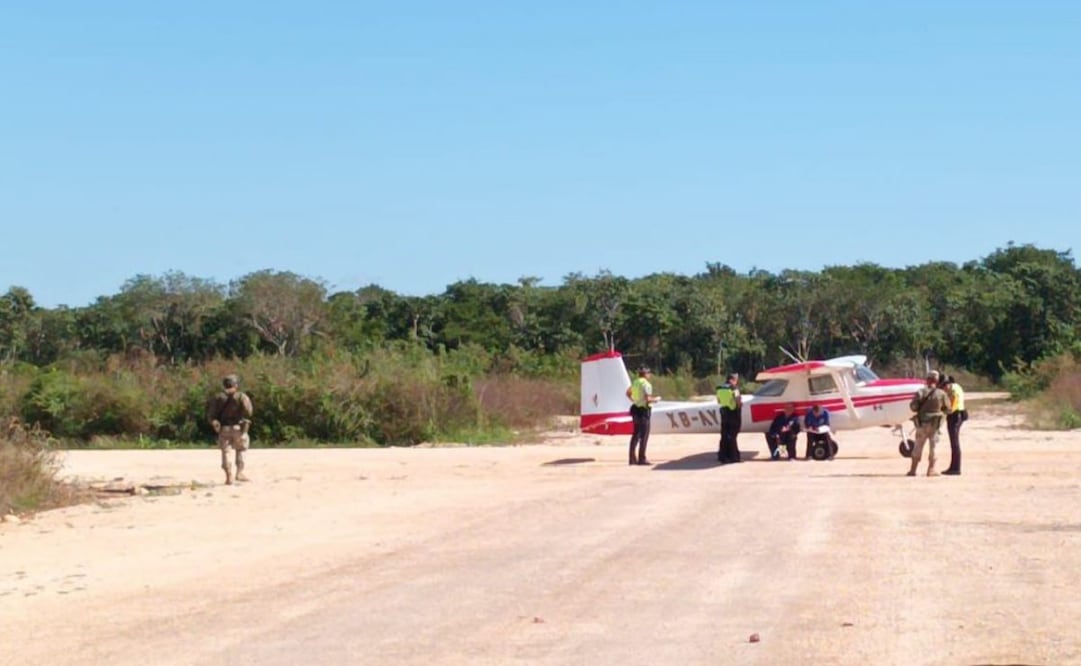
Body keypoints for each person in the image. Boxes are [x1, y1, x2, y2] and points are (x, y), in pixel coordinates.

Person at [206, 374, 254, 485]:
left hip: (224, 428)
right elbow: (249, 411)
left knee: (226, 452)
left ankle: (229, 476)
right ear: (236, 384)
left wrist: (214, 423)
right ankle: (239, 473)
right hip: (239, 427)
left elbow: (211, 415)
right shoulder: (241, 396)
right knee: (241, 449)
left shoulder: (218, 398)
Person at [907, 371, 951, 477]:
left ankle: (913, 470)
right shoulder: (941, 394)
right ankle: (931, 470)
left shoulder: (921, 392)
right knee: (934, 447)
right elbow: (948, 409)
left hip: (922, 424)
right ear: (937, 381)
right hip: (935, 425)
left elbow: (913, 407)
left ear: (927, 379)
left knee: (918, 446)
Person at [625, 366, 659, 465]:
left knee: (635, 434)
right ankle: (642, 458)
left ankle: (632, 459)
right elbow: (648, 399)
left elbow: (627, 393)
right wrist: (656, 399)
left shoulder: (635, 382)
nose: (649, 375)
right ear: (646, 374)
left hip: (635, 409)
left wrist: (634, 400)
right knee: (644, 435)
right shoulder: (646, 384)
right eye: (648, 373)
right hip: (643, 411)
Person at [941, 375, 967, 475]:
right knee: (954, 443)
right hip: (959, 414)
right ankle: (953, 467)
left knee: (955, 443)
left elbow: (953, 407)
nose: (943, 388)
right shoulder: (957, 387)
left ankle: (956, 468)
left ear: (948, 384)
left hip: (956, 415)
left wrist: (945, 411)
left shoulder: (953, 391)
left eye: (944, 386)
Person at [716, 373, 743, 464]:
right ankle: (734, 457)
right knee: (732, 436)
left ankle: (723, 456)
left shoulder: (719, 388)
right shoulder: (734, 389)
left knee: (724, 435)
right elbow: (738, 401)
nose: (737, 381)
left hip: (724, 414)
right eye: (736, 379)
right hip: (733, 414)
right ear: (732, 379)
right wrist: (740, 405)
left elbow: (719, 401)